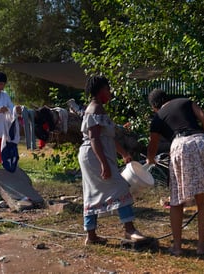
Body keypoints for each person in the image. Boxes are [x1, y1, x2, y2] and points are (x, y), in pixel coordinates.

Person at [146, 88, 204, 256]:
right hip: (203, 141)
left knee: (176, 200)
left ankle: (177, 247)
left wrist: (150, 159)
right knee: (203, 201)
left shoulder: (158, 116)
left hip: (181, 145)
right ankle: (201, 246)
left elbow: (153, 145)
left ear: (155, 106)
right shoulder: (185, 101)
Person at [78, 75, 145, 246]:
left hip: (93, 155)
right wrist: (104, 164)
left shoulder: (99, 109)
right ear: (100, 91)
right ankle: (129, 229)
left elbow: (107, 136)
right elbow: (94, 138)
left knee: (91, 192)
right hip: (94, 156)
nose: (110, 93)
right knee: (120, 186)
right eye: (108, 89)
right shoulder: (95, 109)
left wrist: (123, 154)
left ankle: (91, 235)